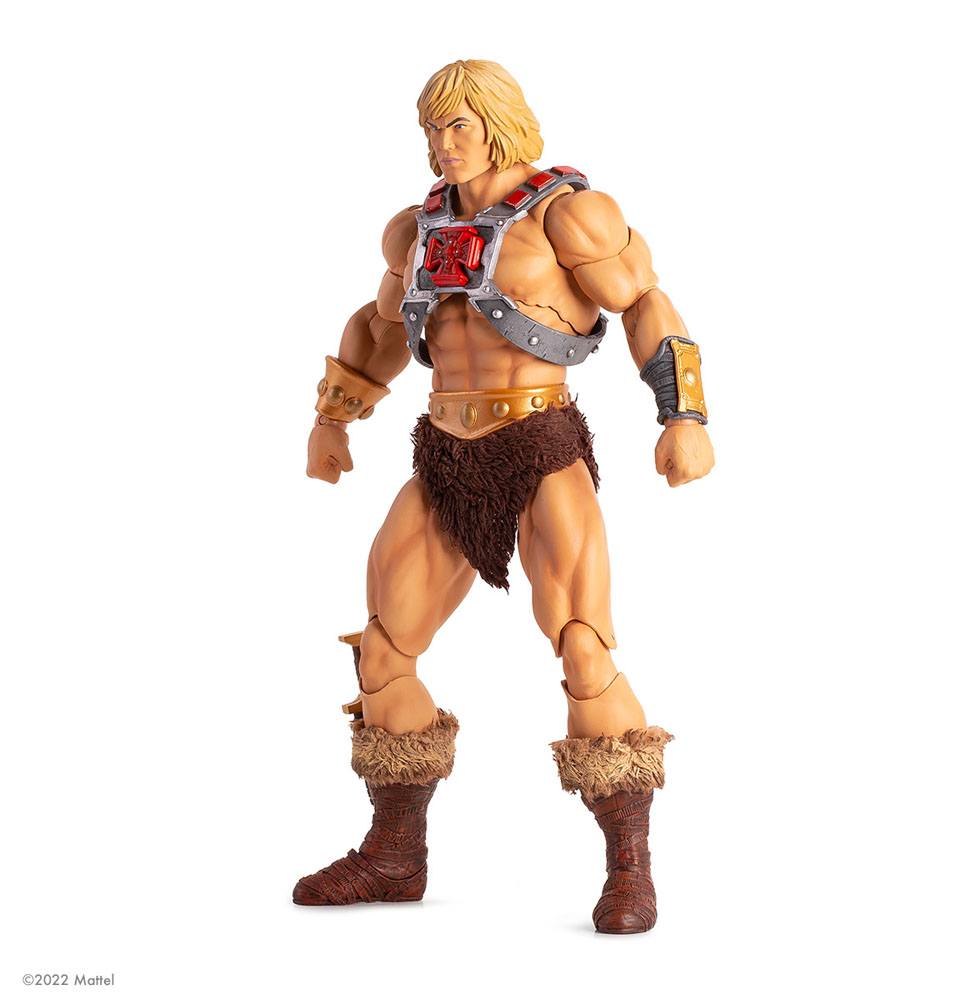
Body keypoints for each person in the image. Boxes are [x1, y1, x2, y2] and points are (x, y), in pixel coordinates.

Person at [292, 59, 714, 934]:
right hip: (444, 450)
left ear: (498, 122)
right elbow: (379, 327)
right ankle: (395, 855)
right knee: (382, 651)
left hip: (539, 444)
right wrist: (334, 418)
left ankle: (630, 866)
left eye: (458, 126)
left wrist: (683, 416)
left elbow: (645, 302)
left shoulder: (569, 213)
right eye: (430, 128)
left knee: (583, 649)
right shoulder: (417, 227)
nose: (441, 144)